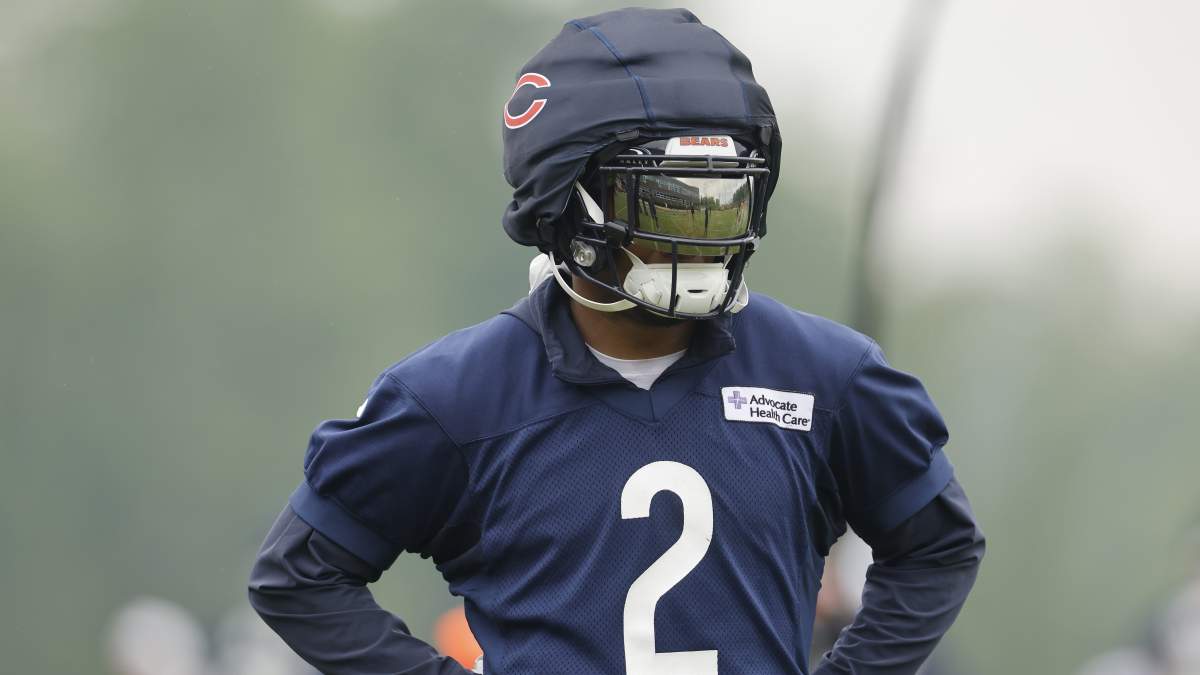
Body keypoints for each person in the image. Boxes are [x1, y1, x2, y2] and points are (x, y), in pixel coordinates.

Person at [248, 7, 984, 674]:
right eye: (668, 204)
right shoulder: (453, 398)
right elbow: (298, 576)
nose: (698, 241)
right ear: (565, 203)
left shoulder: (828, 378)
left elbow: (939, 545)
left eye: (721, 204)